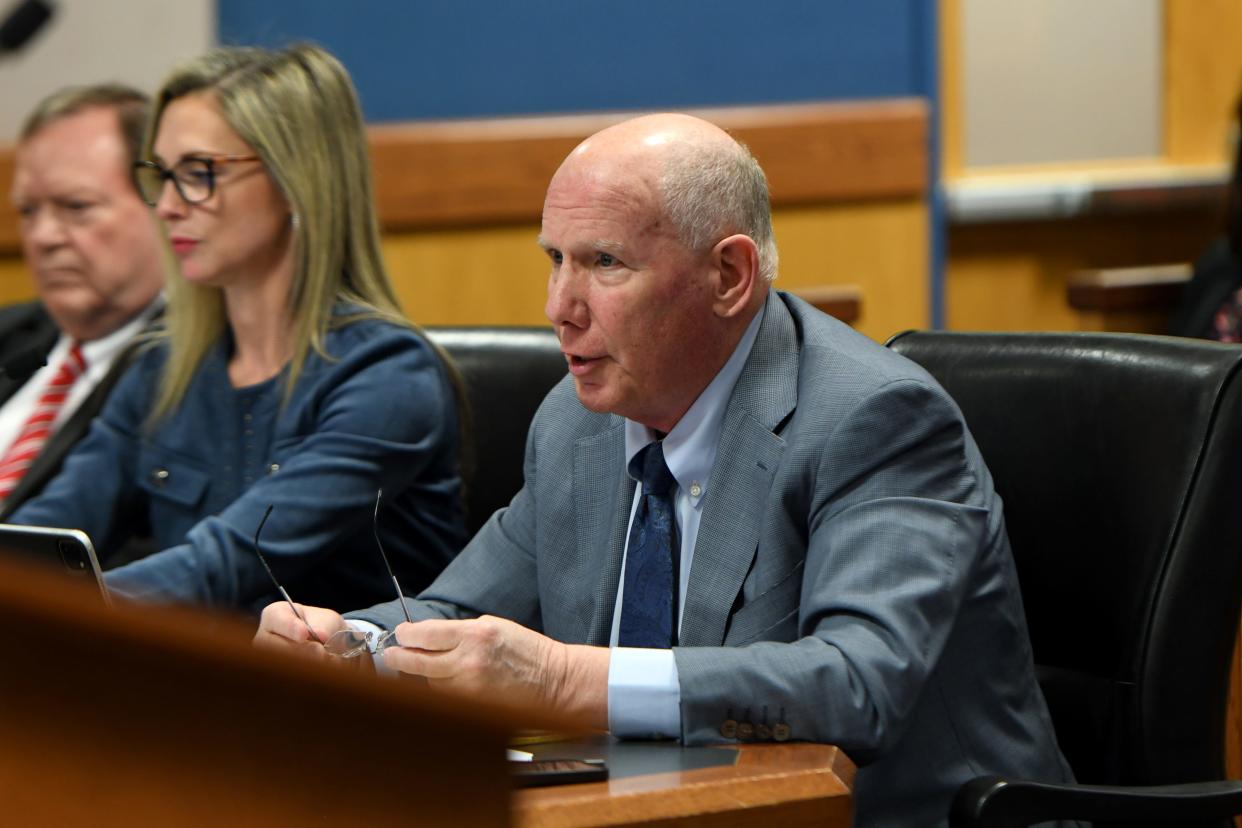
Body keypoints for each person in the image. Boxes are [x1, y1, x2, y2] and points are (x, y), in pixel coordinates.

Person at [255, 113, 1074, 826]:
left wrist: (563, 677)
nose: (559, 306)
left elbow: (858, 682)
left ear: (729, 276)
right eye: (556, 259)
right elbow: (454, 613)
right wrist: (350, 645)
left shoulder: (874, 420)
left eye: (604, 263)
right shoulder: (576, 421)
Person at [11, 44, 466, 614]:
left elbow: (221, 567)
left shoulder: (387, 376)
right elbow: (49, 532)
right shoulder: (163, 366)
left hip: (345, 695)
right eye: (162, 176)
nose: (169, 206)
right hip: (189, 681)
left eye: (199, 174)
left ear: (296, 180)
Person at [1, 84, 165, 518]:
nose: (42, 237)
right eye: (28, 211)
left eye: (76, 206)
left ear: (162, 203)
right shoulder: (9, 332)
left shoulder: (196, 369)